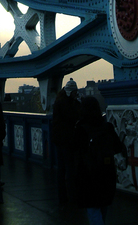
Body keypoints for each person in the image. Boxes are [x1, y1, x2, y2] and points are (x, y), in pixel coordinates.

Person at [73, 96, 125, 225]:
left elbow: (74, 149)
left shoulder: (81, 128)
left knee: (92, 208)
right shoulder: (107, 126)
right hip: (107, 172)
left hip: (88, 174)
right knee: (103, 205)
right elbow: (118, 147)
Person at [51, 78, 81, 207]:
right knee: (70, 168)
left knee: (61, 169)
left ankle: (62, 197)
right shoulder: (68, 104)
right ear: (71, 92)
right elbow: (74, 117)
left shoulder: (58, 102)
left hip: (59, 139)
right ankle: (73, 197)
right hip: (68, 140)